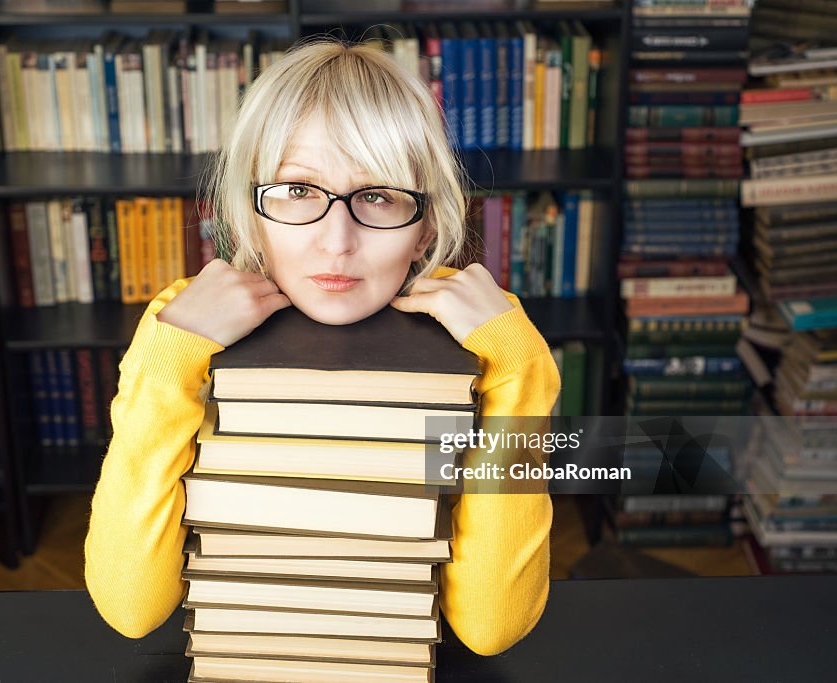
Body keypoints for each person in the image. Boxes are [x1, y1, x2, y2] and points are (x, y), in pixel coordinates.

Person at [84, 38, 561, 656]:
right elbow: (131, 608)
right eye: (299, 191)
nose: (337, 243)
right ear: (252, 214)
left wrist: (521, 370)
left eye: (380, 196)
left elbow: (491, 626)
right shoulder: (181, 325)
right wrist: (166, 361)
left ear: (425, 231)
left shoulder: (494, 339)